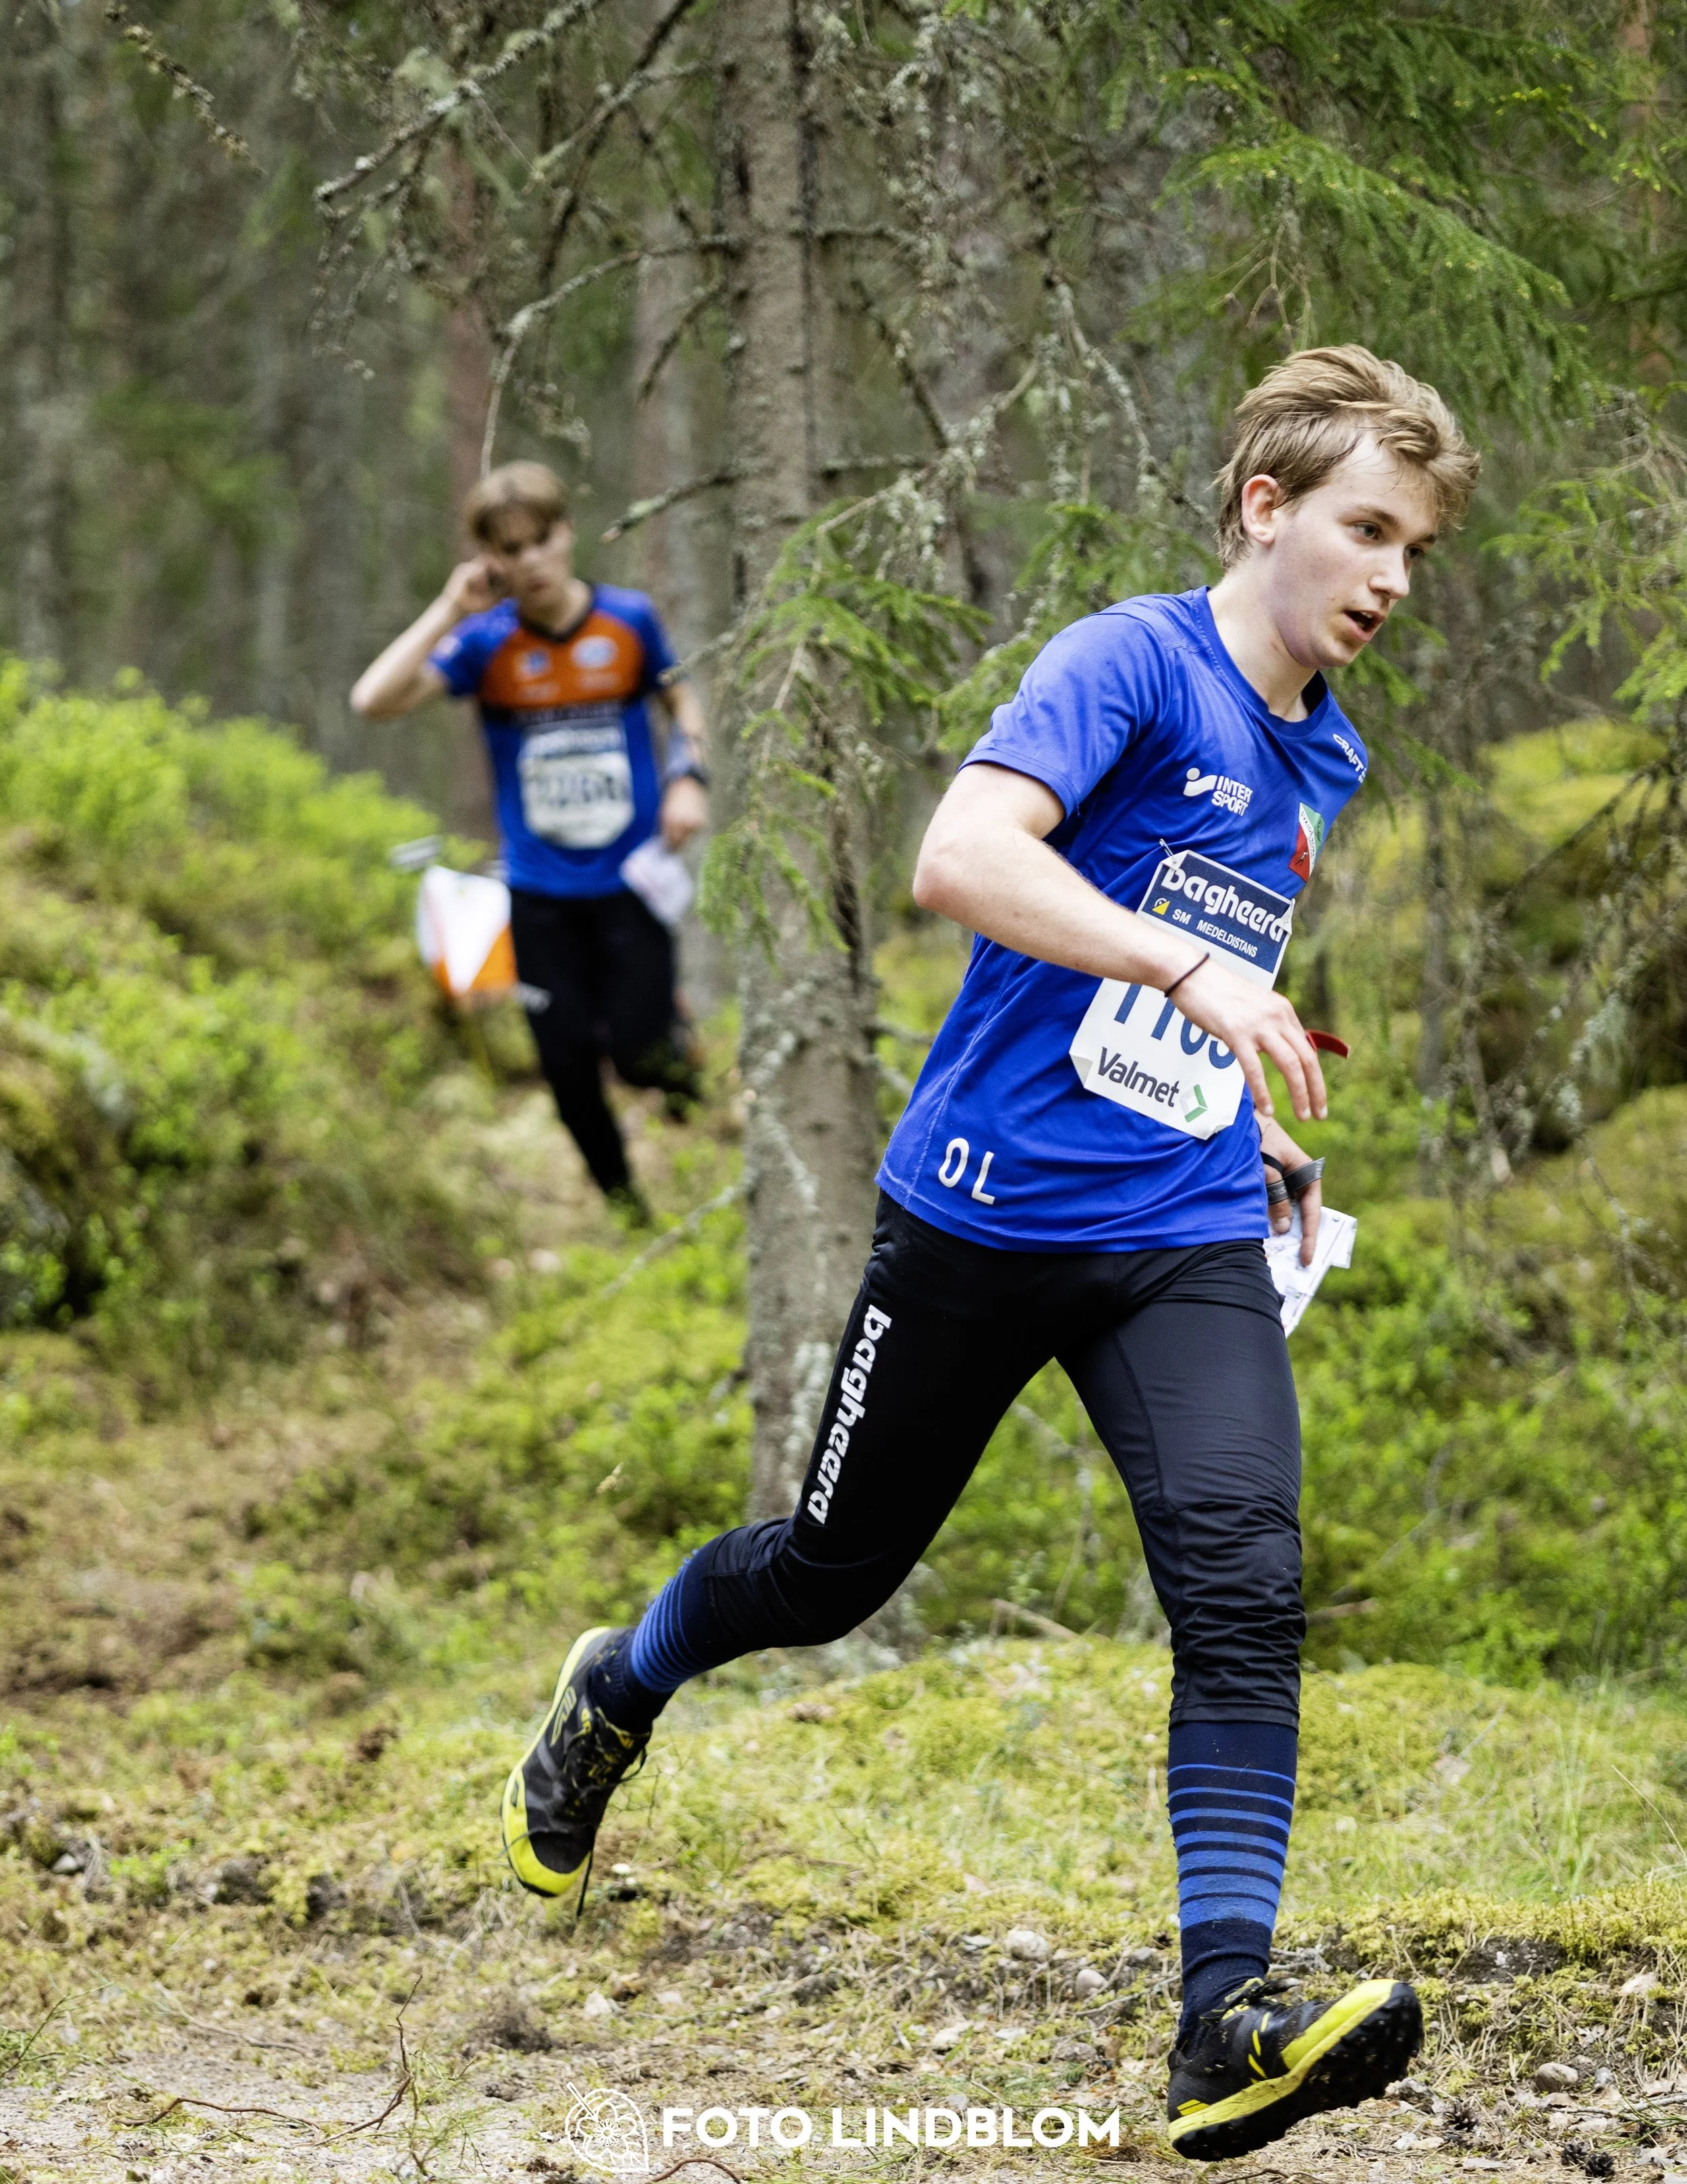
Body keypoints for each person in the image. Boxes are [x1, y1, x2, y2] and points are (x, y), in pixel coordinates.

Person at [499, 349, 1480, 2160]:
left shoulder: (1319, 749)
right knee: (823, 1572)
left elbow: (1176, 948)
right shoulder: (1127, 661)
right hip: (976, 1210)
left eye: (1411, 544)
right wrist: (1189, 972)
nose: (1389, 574)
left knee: (1243, 1580)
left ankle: (1222, 2019)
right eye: (1363, 527)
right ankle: (613, 1687)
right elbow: (964, 856)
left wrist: (1226, 1095)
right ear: (1261, 509)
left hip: (1170, 1226)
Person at [352, 460, 709, 1221]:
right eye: (509, 549)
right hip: (541, 893)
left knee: (642, 1057)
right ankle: (627, 1211)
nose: (531, 561)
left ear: (567, 533)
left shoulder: (629, 622)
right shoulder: (485, 643)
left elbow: (685, 703)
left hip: (631, 882)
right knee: (567, 1064)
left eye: (541, 540)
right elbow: (372, 701)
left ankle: (682, 1066)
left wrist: (688, 779)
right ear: (489, 559)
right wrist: (449, 608)